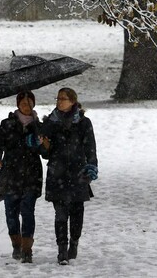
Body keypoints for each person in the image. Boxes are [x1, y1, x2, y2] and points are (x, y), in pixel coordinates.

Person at [39, 87, 98, 265]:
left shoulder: (83, 123)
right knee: (60, 215)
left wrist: (92, 166)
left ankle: (74, 242)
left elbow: (90, 147)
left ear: (72, 101)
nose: (59, 101)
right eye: (58, 98)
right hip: (57, 174)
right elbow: (45, 153)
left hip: (78, 174)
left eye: (63, 99)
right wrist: (43, 143)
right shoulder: (50, 122)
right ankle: (62, 250)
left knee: (77, 214)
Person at [0, 90, 44, 263]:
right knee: (11, 213)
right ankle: (16, 244)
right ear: (17, 105)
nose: (25, 107)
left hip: (32, 174)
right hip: (10, 174)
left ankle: (27, 249)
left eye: (28, 104)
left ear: (33, 104)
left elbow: (46, 152)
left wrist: (41, 143)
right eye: (22, 104)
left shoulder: (39, 125)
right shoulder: (7, 124)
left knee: (27, 211)